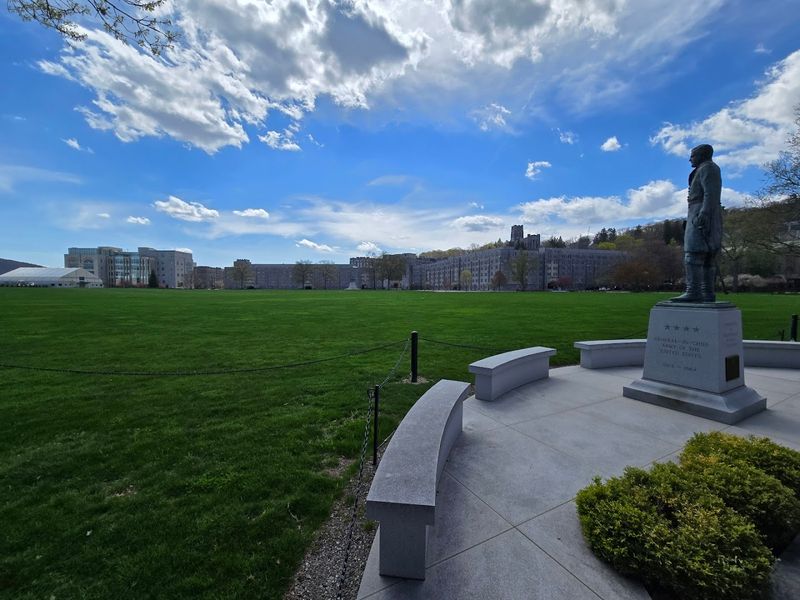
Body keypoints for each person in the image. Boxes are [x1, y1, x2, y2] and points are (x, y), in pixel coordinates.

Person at [670, 144, 722, 302]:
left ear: (702, 155)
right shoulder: (705, 169)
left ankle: (694, 291)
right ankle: (707, 293)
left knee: (693, 253)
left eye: (692, 156)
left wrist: (704, 213)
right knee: (706, 256)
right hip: (700, 211)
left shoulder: (708, 168)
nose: (690, 159)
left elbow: (711, 193)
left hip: (701, 213)